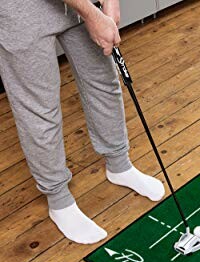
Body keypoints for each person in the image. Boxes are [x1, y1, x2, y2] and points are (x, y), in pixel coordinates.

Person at [0, 0, 165, 244]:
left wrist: (110, 3)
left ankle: (119, 165)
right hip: (20, 12)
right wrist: (92, 14)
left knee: (102, 82)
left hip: (79, 5)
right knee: (39, 109)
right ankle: (59, 201)